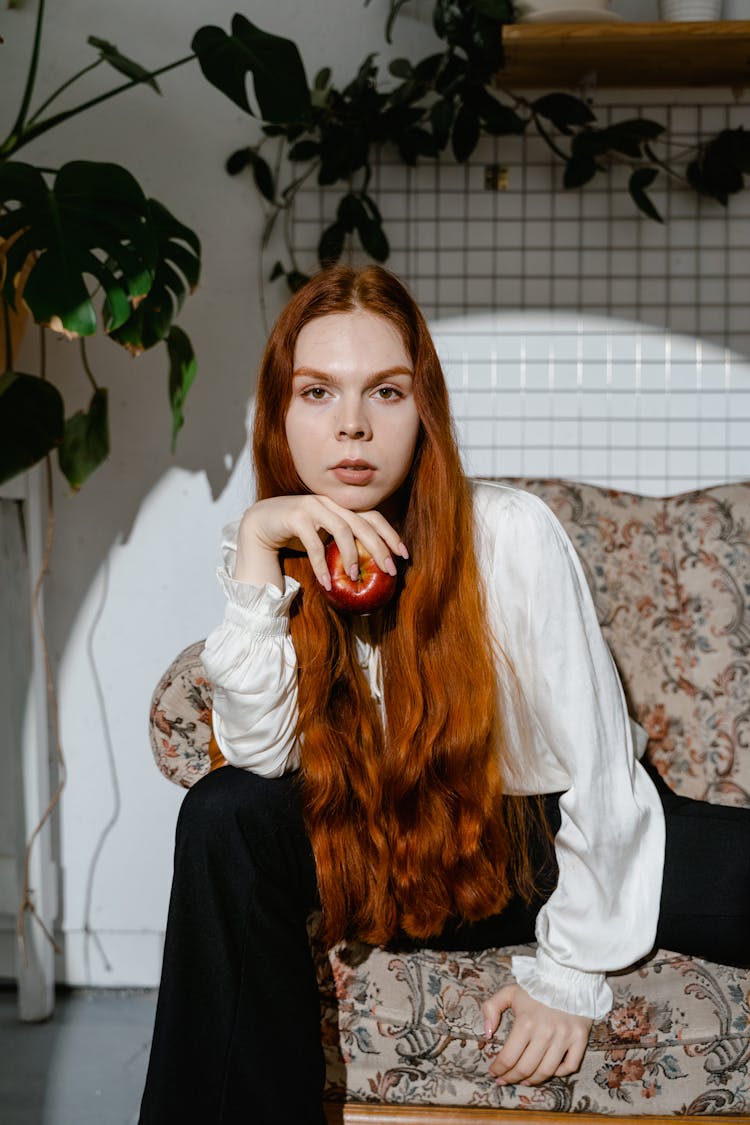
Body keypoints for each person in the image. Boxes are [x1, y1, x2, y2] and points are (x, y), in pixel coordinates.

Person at [139, 265, 749, 1125]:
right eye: (317, 392)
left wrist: (569, 974)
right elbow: (262, 761)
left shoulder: (509, 533)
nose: (351, 424)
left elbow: (604, 774)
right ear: (281, 413)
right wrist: (257, 541)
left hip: (531, 842)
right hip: (377, 848)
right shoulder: (278, 554)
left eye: (384, 391)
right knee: (222, 810)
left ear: (423, 409)